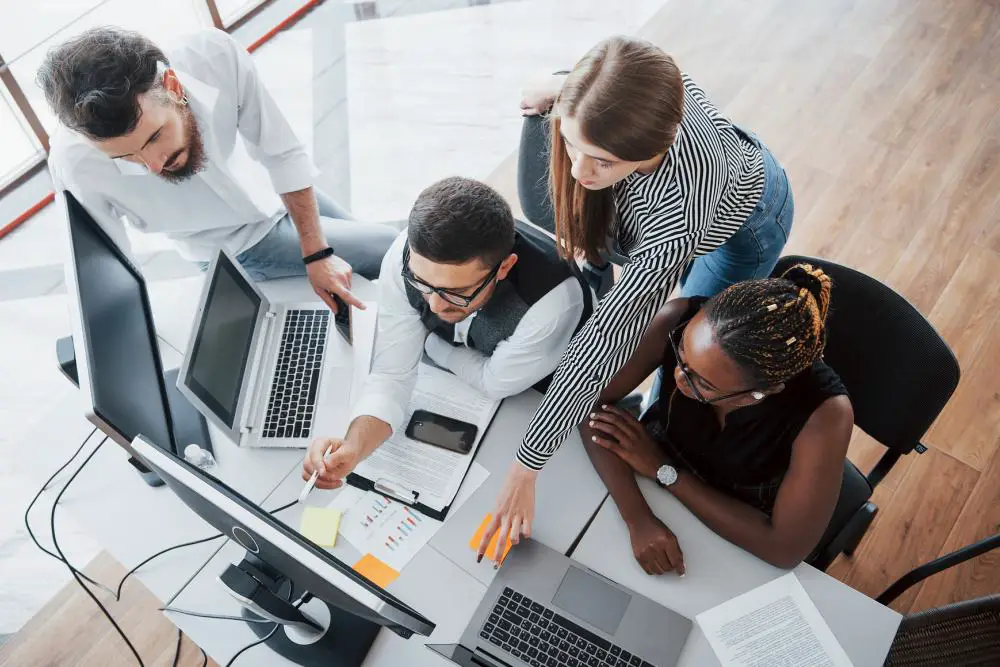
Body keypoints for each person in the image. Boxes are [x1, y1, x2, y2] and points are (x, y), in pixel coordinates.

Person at [479, 35, 796, 562]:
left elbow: (607, 337)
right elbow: (594, 88)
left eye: (600, 160)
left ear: (653, 148)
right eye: (571, 144)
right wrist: (553, 89)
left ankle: (656, 418)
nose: (580, 171)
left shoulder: (675, 214)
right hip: (667, 174)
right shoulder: (626, 81)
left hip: (745, 221)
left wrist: (526, 466)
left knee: (691, 347)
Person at [39, 27, 397, 312]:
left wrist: (317, 253)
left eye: (154, 138)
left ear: (173, 87)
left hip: (272, 192)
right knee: (389, 249)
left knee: (391, 260)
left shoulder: (213, 57)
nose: (152, 165)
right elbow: (110, 265)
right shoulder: (74, 163)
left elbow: (281, 151)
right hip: (235, 245)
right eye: (124, 158)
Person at [301, 177, 591, 489]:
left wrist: (430, 344)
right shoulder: (406, 256)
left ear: (504, 268)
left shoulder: (551, 306)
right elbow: (391, 375)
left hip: (546, 384)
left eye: (457, 292)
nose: (435, 305)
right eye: (422, 283)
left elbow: (494, 382)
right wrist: (355, 447)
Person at [582, 264, 851, 572]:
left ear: (760, 394)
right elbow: (586, 400)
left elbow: (784, 549)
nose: (677, 378)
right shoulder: (677, 318)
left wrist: (664, 470)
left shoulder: (825, 415)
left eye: (702, 383)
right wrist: (637, 517)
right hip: (647, 473)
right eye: (681, 353)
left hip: (737, 522)